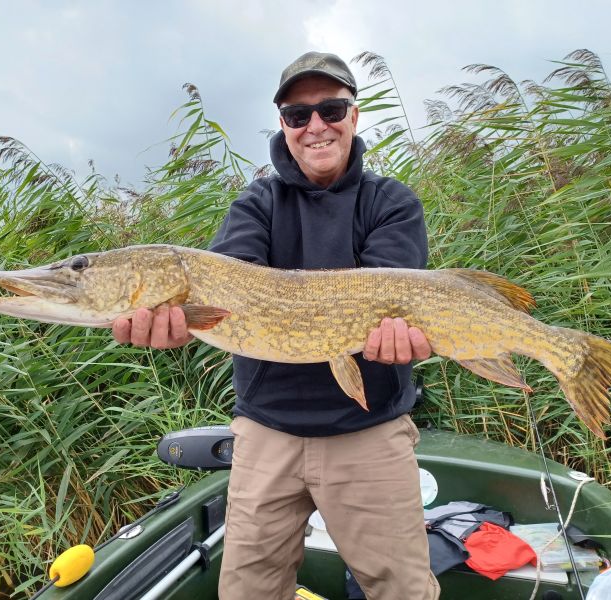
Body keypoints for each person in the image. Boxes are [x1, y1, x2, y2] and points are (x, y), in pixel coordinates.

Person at [112, 51, 440, 600]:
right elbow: (224, 294)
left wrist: (402, 340)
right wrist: (179, 323)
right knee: (249, 591)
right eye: (297, 114)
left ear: (354, 116)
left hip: (368, 432)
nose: (316, 126)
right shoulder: (256, 203)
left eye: (331, 109)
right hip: (266, 433)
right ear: (283, 124)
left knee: (402, 591)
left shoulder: (391, 203)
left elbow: (394, 302)